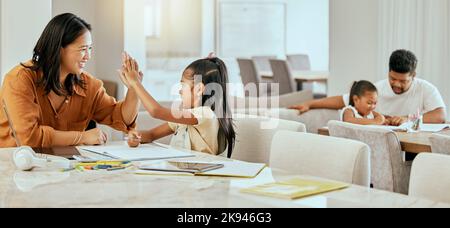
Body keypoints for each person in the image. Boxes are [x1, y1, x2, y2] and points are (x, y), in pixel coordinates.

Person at [0, 13, 139, 148]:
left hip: (64, 167)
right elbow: (28, 138)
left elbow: (122, 117)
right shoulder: (19, 80)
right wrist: (82, 137)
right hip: (14, 166)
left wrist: (135, 88)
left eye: (90, 48)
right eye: (83, 49)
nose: (88, 56)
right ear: (59, 49)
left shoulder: (89, 85)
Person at [290, 49, 447, 126]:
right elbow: (344, 99)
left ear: (413, 76)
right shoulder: (377, 89)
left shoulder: (426, 89)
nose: (397, 84)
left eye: (403, 81)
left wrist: (408, 119)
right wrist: (310, 104)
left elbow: (440, 116)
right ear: (388, 71)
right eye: (393, 78)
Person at [121, 56, 236, 158]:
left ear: (199, 89)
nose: (180, 91)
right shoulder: (185, 118)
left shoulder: (206, 114)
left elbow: (156, 111)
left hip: (200, 179)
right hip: (182, 175)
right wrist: (136, 136)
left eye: (183, 85)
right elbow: (151, 135)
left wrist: (136, 83)